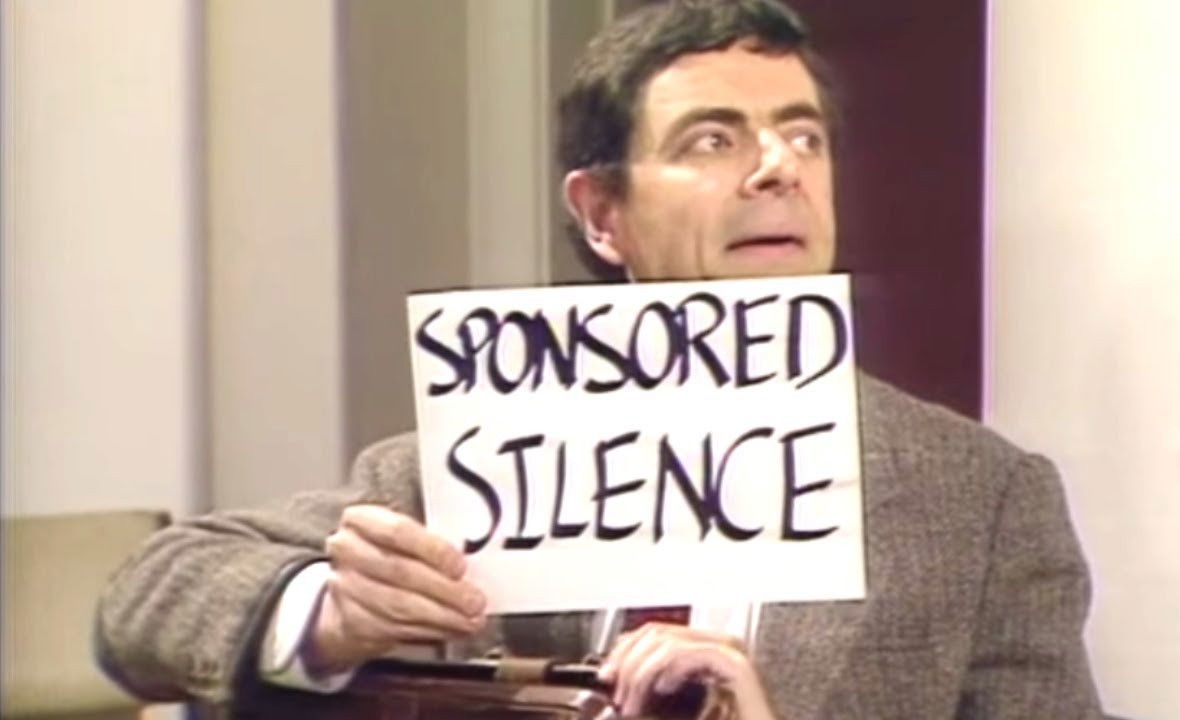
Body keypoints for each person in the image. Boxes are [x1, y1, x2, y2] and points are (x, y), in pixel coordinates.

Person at [96, 1, 1103, 717]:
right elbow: (143, 602)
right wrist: (330, 614)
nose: (777, 169)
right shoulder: (470, 458)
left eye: (803, 138)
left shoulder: (980, 501)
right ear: (601, 213)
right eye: (713, 141)